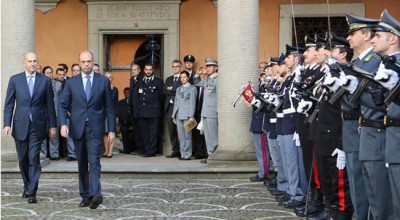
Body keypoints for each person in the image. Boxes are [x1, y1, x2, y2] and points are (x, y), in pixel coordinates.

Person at [342, 14, 394, 220]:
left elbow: (378, 102)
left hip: (376, 132)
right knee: (365, 186)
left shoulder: (375, 61)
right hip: (362, 131)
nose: (348, 38)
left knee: (378, 193)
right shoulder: (363, 62)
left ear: (365, 35)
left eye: (352, 33)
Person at [58, 50, 115, 209]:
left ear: (93, 61)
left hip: (96, 129)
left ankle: (95, 193)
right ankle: (85, 194)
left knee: (94, 162)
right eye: (83, 62)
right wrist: (63, 124)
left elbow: (110, 108)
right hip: (77, 128)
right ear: (79, 63)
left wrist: (111, 130)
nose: (86, 64)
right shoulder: (71, 83)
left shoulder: (103, 81)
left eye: (89, 61)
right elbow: (62, 105)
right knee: (82, 162)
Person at [3, 52, 57, 203]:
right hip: (20, 124)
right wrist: (7, 123)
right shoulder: (15, 80)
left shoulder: (45, 81)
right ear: (24, 63)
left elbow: (50, 105)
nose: (32, 64)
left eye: (35, 61)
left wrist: (52, 126)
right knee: (22, 159)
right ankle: (27, 185)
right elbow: (9, 104)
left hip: (38, 125)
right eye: (30, 61)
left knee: (34, 158)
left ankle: (32, 192)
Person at [370, 9, 400, 218]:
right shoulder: (384, 64)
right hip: (389, 138)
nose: (373, 39)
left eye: (378, 35)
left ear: (393, 39)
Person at [132, 63, 164, 157]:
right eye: (146, 69)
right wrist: (137, 111)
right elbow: (136, 97)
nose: (148, 71)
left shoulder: (158, 81)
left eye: (150, 69)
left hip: (154, 112)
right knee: (144, 132)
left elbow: (162, 97)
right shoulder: (140, 81)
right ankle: (146, 150)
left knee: (153, 132)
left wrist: (158, 108)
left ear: (153, 70)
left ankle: (151, 151)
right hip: (142, 111)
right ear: (144, 70)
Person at [194, 57, 218, 164]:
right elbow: (196, 83)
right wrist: (197, 73)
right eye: (207, 66)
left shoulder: (218, 79)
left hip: (213, 112)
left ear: (216, 68)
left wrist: (218, 111)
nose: (207, 69)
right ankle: (210, 156)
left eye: (210, 66)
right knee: (207, 136)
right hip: (205, 111)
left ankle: (216, 156)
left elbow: (219, 96)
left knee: (213, 136)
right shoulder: (208, 79)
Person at [171, 70, 197, 160]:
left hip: (187, 116)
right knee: (181, 137)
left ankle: (188, 154)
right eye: (181, 77)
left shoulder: (192, 88)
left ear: (188, 78)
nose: (182, 79)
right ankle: (183, 154)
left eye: (184, 77)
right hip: (178, 115)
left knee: (188, 136)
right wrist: (173, 115)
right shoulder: (178, 89)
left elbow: (192, 103)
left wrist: (191, 116)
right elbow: (176, 103)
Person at [164, 60, 182, 159]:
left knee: (181, 131)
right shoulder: (169, 79)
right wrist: (173, 90)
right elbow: (164, 90)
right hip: (169, 108)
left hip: (179, 107)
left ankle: (183, 151)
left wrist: (171, 89)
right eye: (173, 66)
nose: (175, 68)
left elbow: (180, 90)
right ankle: (175, 150)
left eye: (177, 66)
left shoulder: (183, 77)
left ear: (180, 67)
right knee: (171, 131)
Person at [192, 66, 208, 159]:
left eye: (205, 74)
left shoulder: (208, 84)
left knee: (206, 133)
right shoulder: (196, 85)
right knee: (197, 133)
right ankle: (198, 152)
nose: (203, 76)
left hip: (206, 111)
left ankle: (206, 152)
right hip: (197, 111)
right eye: (201, 74)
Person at [102, 71, 118, 158]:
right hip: (103, 113)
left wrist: (116, 116)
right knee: (105, 133)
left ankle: (110, 151)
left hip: (111, 114)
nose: (108, 79)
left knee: (111, 132)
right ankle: (106, 150)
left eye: (110, 77)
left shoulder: (115, 89)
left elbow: (116, 103)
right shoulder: (101, 88)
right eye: (107, 77)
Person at [129, 63, 143, 155]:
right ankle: (138, 148)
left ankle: (142, 149)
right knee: (136, 131)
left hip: (139, 110)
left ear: (139, 70)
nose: (133, 71)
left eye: (135, 69)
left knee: (141, 130)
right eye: (132, 70)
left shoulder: (141, 80)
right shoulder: (132, 80)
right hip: (133, 109)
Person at [118, 87, 135, 154]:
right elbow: (119, 112)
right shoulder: (121, 102)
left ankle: (133, 149)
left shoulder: (134, 102)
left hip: (132, 122)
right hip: (123, 123)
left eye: (128, 93)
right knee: (125, 136)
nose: (127, 94)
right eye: (125, 93)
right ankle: (126, 150)